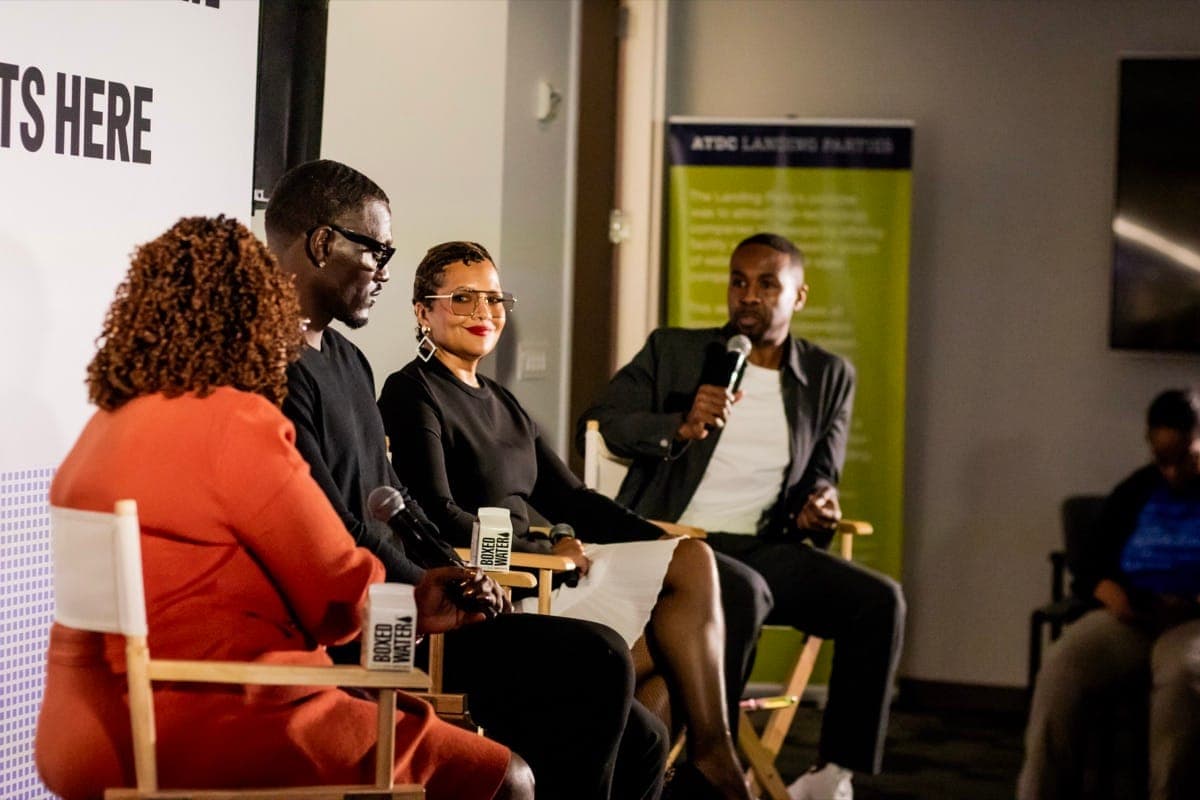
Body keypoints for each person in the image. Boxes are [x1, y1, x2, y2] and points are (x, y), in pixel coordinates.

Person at [35, 216, 531, 800]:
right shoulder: (236, 422)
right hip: (219, 718)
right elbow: (335, 599)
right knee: (507, 778)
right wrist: (410, 600)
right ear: (258, 316)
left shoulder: (100, 430)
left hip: (80, 733)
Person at [263, 159, 667, 800]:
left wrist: (452, 570)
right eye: (377, 250)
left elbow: (389, 503)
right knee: (599, 658)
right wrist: (424, 585)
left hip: (414, 601)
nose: (385, 272)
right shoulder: (271, 364)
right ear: (321, 243)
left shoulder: (348, 360)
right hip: (365, 623)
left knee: (643, 739)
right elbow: (325, 528)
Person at [377, 240, 768, 800]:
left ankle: (705, 755)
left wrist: (654, 538)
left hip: (547, 570)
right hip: (499, 587)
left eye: (494, 299)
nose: (484, 312)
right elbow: (435, 513)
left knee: (690, 564)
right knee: (673, 650)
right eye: (463, 298)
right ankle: (710, 764)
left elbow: (575, 500)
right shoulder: (411, 391)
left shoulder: (504, 402)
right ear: (423, 311)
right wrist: (539, 541)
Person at [578, 232, 906, 800]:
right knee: (742, 591)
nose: (747, 296)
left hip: (761, 543)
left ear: (798, 297)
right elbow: (606, 419)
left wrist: (820, 504)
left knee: (879, 601)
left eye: (766, 284)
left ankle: (833, 774)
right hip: (674, 542)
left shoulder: (828, 376)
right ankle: (711, 766)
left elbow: (823, 470)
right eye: (738, 281)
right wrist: (676, 425)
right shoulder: (674, 350)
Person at [1019, 388, 1200, 800]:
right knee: (1062, 668)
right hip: (1131, 616)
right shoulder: (1139, 488)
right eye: (1162, 458)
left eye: (1184, 458)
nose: (1171, 472)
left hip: (1190, 624)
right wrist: (1108, 590)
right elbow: (1088, 561)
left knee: (1183, 684)